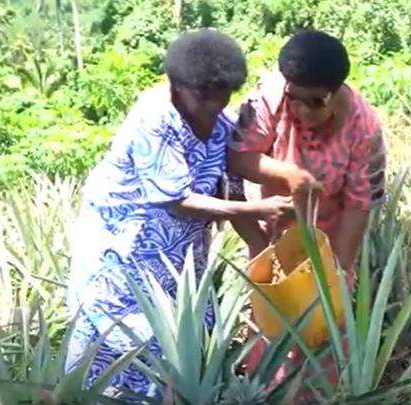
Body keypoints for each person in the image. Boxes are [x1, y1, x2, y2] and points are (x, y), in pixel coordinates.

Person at [64, 28, 294, 400]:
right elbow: (175, 200)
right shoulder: (155, 116)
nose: (213, 106)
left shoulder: (224, 125)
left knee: (181, 349)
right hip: (125, 251)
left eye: (222, 97)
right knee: (121, 349)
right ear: (177, 85)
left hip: (180, 258)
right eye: (203, 96)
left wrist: (263, 251)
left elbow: (231, 193)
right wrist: (258, 208)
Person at [226, 29, 388, 388]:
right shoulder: (269, 96)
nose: (299, 110)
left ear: (337, 91)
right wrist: (288, 174)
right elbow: (239, 157)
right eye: (294, 99)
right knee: (273, 340)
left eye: (314, 102)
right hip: (275, 237)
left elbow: (359, 205)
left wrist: (339, 271)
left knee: (326, 336)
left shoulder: (365, 128)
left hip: (329, 239)